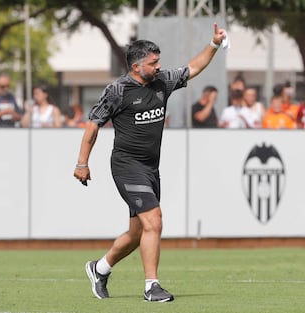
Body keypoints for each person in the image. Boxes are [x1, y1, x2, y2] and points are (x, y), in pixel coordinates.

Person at [73, 23, 227, 302]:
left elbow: (193, 67)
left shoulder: (162, 82)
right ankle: (151, 287)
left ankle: (100, 268)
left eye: (158, 61)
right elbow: (93, 126)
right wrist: (82, 163)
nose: (159, 66)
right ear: (136, 66)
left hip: (150, 168)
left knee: (137, 232)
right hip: (126, 166)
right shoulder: (117, 90)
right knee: (154, 222)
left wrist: (214, 44)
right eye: (153, 62)